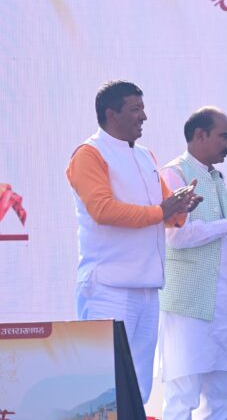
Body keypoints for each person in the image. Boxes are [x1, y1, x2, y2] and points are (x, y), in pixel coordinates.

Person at [66, 80, 201, 403]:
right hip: (108, 288)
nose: (144, 117)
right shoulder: (89, 154)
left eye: (143, 108)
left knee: (139, 385)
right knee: (105, 386)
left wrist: (180, 208)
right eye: (135, 109)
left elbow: (163, 210)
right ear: (111, 114)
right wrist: (162, 211)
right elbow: (102, 210)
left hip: (147, 289)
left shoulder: (145, 155)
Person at [159, 107, 227, 419]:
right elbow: (175, 237)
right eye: (224, 137)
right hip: (189, 305)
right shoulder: (174, 174)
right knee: (183, 396)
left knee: (221, 398)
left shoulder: (217, 178)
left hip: (224, 304)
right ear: (200, 135)